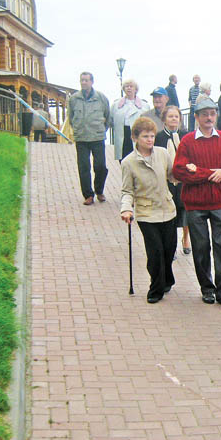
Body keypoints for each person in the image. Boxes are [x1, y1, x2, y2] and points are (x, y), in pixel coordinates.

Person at [172, 97, 221, 310]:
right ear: (196, 117)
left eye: (212, 114)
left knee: (220, 248)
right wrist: (210, 173)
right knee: (201, 248)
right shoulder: (187, 141)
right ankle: (207, 289)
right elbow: (179, 171)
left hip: (220, 204)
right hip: (195, 205)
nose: (209, 118)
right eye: (204, 114)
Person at [120, 117, 177, 304]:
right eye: (145, 136)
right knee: (155, 252)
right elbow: (127, 190)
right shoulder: (128, 162)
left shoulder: (162, 154)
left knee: (169, 250)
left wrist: (187, 172)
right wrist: (126, 210)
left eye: (152, 136)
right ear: (135, 137)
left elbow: (172, 175)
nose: (150, 140)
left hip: (167, 209)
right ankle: (156, 288)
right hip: (147, 213)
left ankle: (167, 277)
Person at [68, 71, 111, 206]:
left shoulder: (101, 98)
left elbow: (107, 116)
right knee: (84, 167)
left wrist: (102, 129)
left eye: (86, 80)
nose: (84, 82)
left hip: (97, 137)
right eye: (82, 80)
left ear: (92, 82)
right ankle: (88, 195)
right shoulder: (74, 99)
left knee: (100, 166)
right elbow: (71, 117)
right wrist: (77, 128)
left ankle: (99, 190)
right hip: (81, 138)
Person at [154, 105, 191, 255]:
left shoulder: (186, 136)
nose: (173, 119)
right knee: (170, 211)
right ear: (164, 119)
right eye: (170, 116)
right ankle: (172, 244)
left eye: (176, 116)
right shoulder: (159, 137)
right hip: (166, 179)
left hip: (184, 179)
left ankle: (186, 238)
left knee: (185, 209)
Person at [110, 79, 151, 161]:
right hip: (123, 134)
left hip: (137, 135)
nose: (129, 88)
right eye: (126, 86)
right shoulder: (116, 105)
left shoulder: (145, 105)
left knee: (137, 158)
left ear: (136, 89)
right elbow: (111, 120)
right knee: (123, 159)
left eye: (131, 86)